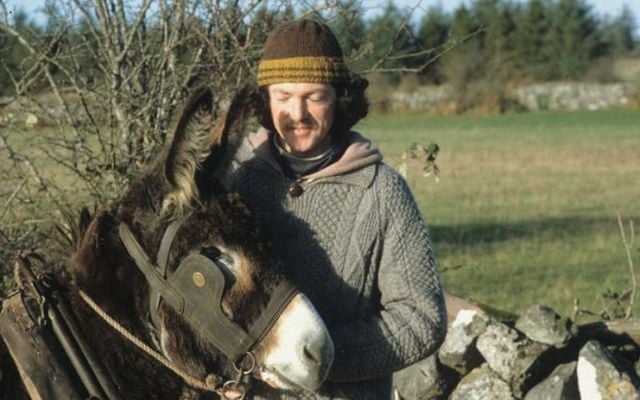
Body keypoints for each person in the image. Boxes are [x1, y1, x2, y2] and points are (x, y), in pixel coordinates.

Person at [228, 18, 446, 399]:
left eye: (314, 96)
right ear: (265, 99)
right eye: (283, 96)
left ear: (339, 97)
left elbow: (421, 318)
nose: (297, 113)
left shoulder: (381, 191)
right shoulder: (233, 180)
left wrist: (320, 357)